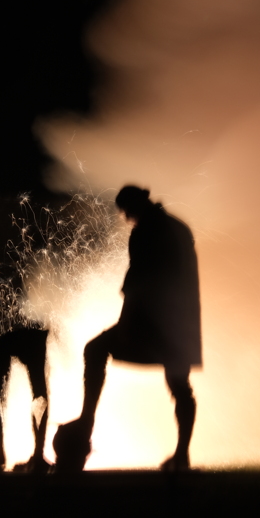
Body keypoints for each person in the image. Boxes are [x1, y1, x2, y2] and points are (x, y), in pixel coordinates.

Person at [54, 185, 201, 472]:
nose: (126, 218)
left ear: (135, 205)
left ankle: (86, 424)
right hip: (181, 324)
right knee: (180, 387)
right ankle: (182, 454)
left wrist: (126, 325)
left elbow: (137, 284)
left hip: (153, 323)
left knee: (95, 349)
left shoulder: (147, 231)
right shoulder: (177, 228)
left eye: (126, 211)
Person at [0, 327, 51, 473]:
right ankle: (36, 454)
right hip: (30, 338)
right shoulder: (36, 338)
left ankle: (4, 456)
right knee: (40, 396)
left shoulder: (0, 346)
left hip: (24, 339)